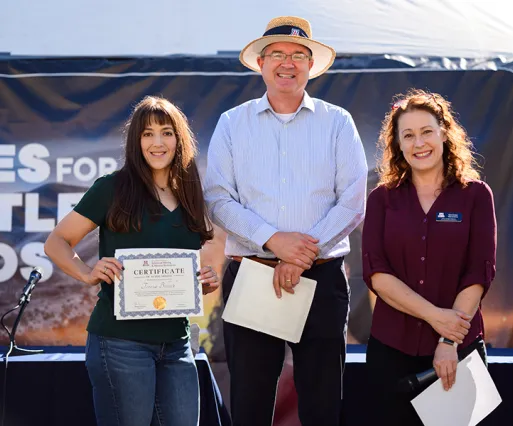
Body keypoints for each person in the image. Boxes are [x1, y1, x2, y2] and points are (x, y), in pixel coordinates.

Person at [204, 15, 368, 426]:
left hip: (322, 276)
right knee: (251, 401)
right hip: (252, 273)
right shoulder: (232, 123)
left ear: (311, 65)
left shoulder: (337, 122)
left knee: (322, 401)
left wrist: (300, 256)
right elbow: (218, 199)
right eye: (276, 53)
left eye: (298, 54)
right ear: (260, 63)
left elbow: (352, 201)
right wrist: (275, 242)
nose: (287, 63)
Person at [44, 96, 219, 426]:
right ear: (135, 141)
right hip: (120, 343)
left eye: (166, 133)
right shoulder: (113, 188)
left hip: (178, 344)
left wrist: (201, 283)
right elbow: (57, 242)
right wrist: (86, 272)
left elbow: (182, 265)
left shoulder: (191, 193)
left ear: (179, 139)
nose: (157, 142)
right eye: (147, 133)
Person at [362, 89, 497, 425]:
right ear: (397, 144)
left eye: (426, 132)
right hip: (391, 350)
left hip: (459, 347)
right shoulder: (381, 199)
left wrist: (448, 339)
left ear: (444, 134)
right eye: (408, 135)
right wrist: (436, 317)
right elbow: (376, 273)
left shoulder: (476, 195)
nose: (418, 143)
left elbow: (479, 273)